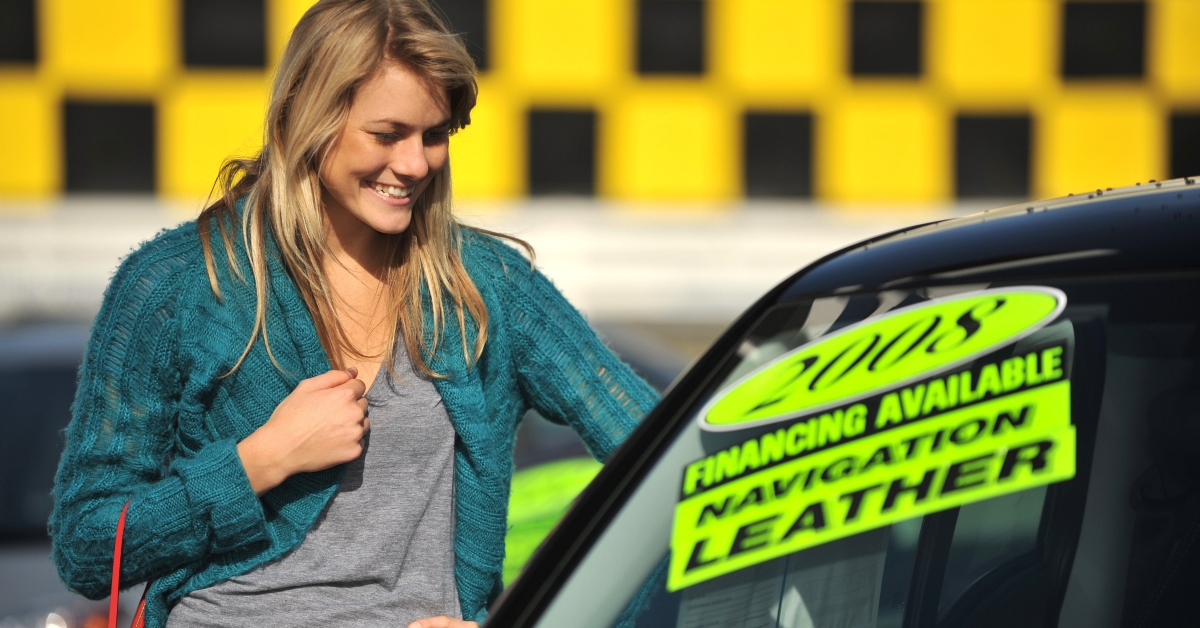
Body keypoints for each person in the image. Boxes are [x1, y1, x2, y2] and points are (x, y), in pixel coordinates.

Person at [48, 1, 659, 627]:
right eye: (388, 134)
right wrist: (261, 460)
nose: (416, 163)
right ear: (309, 118)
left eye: (435, 134)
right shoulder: (177, 285)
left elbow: (673, 462)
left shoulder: (488, 289)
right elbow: (89, 548)